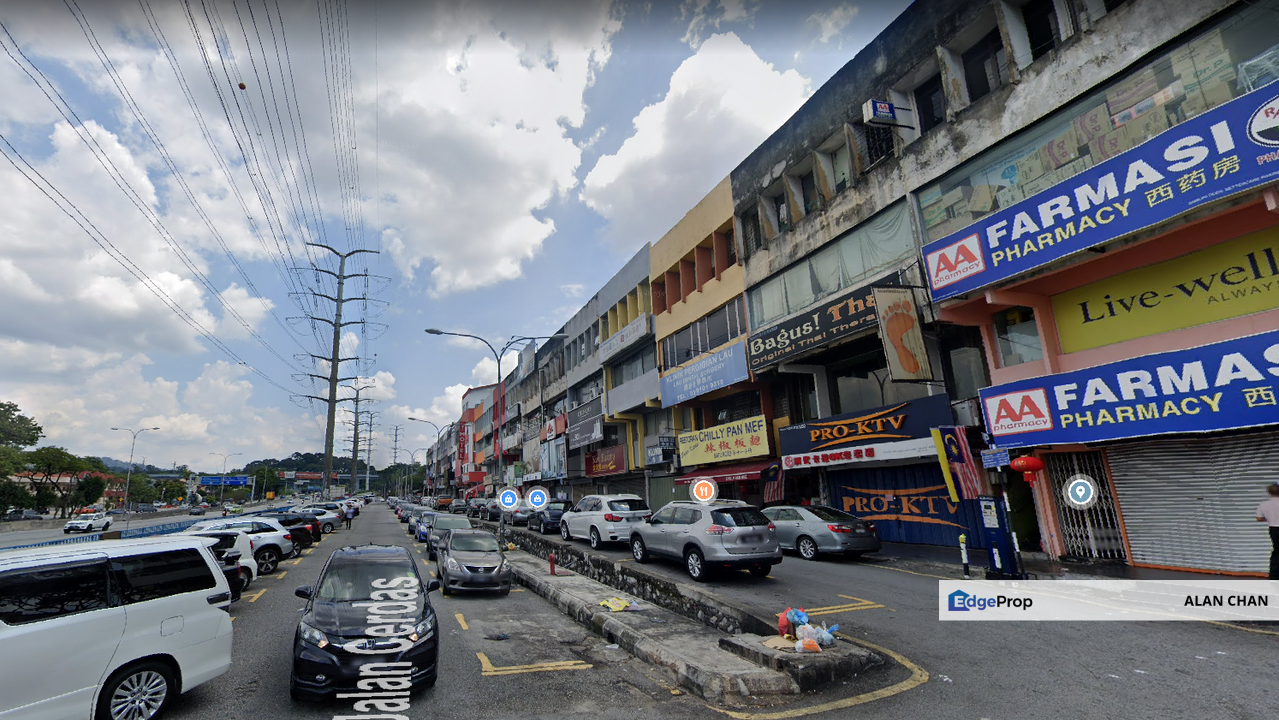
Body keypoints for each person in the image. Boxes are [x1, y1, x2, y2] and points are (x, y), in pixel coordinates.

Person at [1256, 483, 1279, 579]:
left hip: (1273, 529)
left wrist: (1269, 518)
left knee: (1276, 551)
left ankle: (1274, 575)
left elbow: (1259, 518)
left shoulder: (1264, 504)